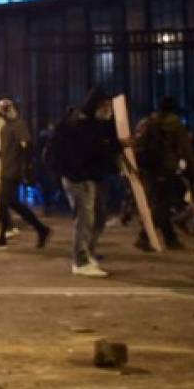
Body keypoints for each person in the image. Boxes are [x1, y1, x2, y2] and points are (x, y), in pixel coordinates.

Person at [50, 87, 122, 277]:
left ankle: (88, 253)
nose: (109, 110)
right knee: (85, 219)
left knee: (97, 217)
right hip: (78, 178)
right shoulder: (79, 124)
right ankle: (80, 260)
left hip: (89, 177)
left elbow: (99, 148)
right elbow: (87, 151)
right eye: (105, 105)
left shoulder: (91, 123)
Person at [0, 98, 51, 249]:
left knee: (2, 202)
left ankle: (2, 236)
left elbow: (26, 146)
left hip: (13, 171)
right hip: (7, 169)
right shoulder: (6, 127)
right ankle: (41, 229)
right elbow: (11, 148)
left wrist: (27, 167)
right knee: (14, 204)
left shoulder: (19, 125)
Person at [134, 96, 194, 251]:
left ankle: (170, 238)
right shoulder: (174, 122)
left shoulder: (148, 121)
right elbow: (185, 147)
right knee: (162, 204)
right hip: (165, 166)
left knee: (161, 203)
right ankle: (144, 236)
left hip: (149, 167)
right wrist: (192, 167)